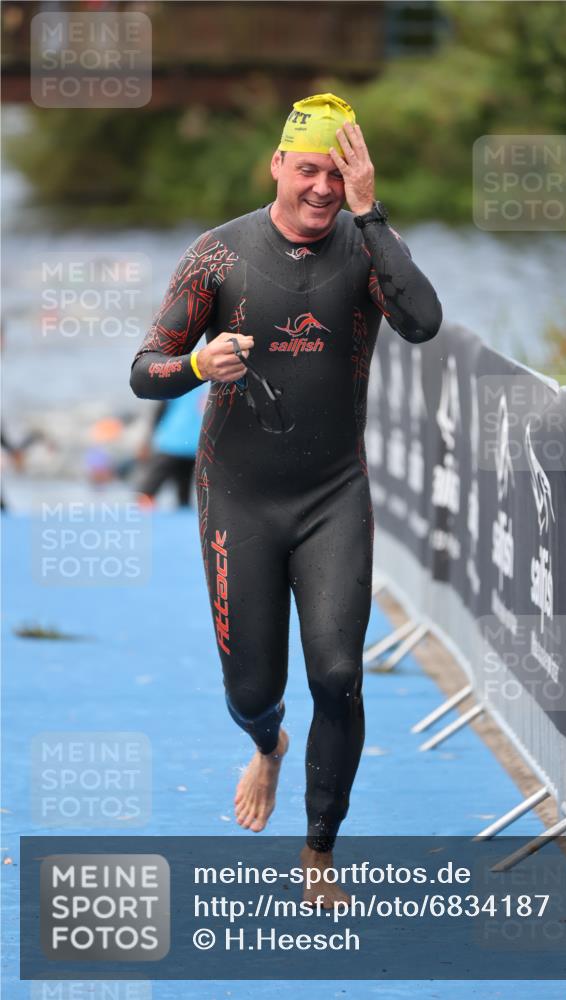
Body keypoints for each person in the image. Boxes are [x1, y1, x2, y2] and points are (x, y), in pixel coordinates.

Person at [130, 93, 442, 906]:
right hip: (238, 497)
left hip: (333, 493)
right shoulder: (217, 256)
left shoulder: (369, 245)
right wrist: (196, 367)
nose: (322, 188)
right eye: (308, 169)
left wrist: (371, 214)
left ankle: (317, 852)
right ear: (276, 164)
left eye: (339, 174)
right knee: (250, 691)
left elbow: (422, 322)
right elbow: (143, 371)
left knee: (338, 676)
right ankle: (267, 746)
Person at [134, 383, 208, 507]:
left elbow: (160, 410)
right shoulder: (213, 383)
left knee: (149, 488)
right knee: (183, 494)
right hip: (195, 445)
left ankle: (141, 514)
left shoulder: (182, 381)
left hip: (172, 444)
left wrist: (147, 439)